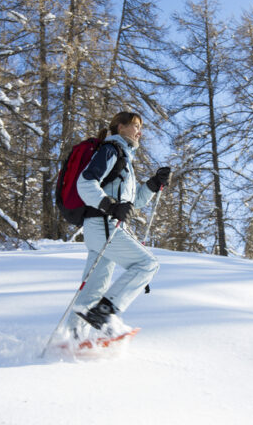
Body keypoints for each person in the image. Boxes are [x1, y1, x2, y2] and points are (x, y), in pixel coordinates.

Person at [65, 111, 171, 340]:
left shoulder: (125, 159)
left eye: (141, 127)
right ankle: (105, 313)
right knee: (147, 264)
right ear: (120, 127)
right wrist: (109, 206)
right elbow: (86, 182)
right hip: (102, 223)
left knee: (94, 287)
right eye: (135, 126)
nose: (139, 132)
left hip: (101, 227)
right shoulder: (111, 150)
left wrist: (154, 184)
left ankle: (70, 339)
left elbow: (133, 203)